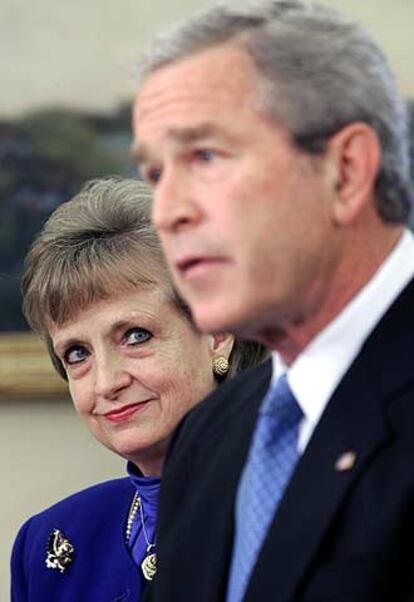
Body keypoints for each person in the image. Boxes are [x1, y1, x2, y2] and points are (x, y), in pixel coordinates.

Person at [132, 1, 414, 600]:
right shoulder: (207, 435)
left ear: (345, 171)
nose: (167, 212)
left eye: (205, 157)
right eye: (156, 174)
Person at [10, 177, 268, 602]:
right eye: (77, 354)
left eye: (135, 336)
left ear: (218, 334)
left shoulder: (307, 509)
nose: (107, 382)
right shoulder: (47, 544)